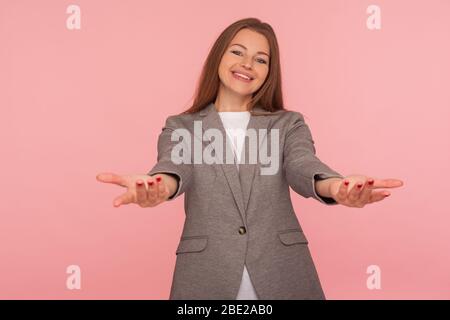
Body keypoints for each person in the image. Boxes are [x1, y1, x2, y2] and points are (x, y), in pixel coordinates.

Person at [96, 17, 404, 299]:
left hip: (284, 274)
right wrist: (157, 187)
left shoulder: (288, 124)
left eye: (261, 59)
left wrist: (336, 186)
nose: (248, 64)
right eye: (237, 52)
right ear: (219, 56)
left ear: (269, 72)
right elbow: (175, 167)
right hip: (206, 277)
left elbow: (302, 165)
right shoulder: (182, 126)